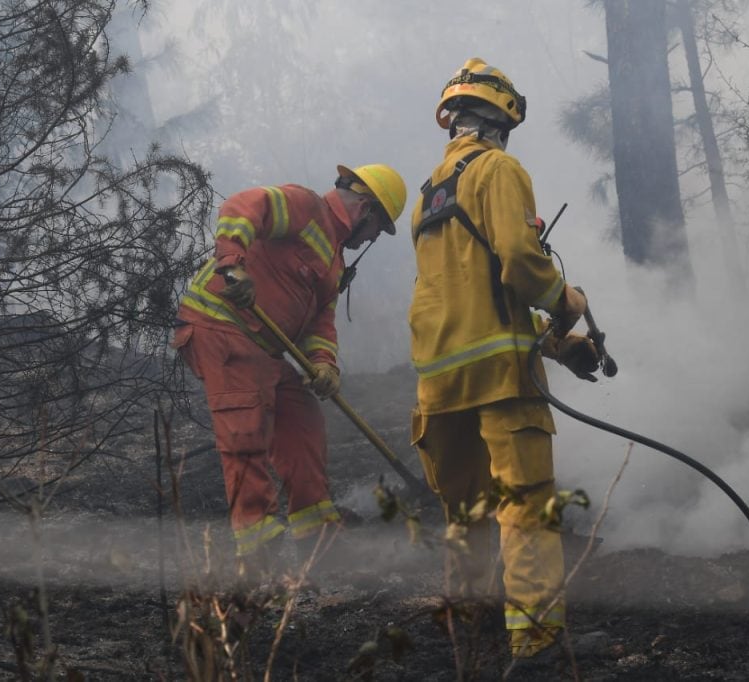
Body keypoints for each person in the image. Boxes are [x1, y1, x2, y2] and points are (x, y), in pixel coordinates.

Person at [408, 58, 601, 660]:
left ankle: (470, 625)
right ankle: (536, 638)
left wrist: (555, 343)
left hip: (439, 381)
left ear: (454, 121)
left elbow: (475, 296)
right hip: (501, 380)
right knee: (525, 506)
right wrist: (566, 302)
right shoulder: (498, 170)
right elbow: (518, 264)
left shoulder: (428, 195)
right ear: (501, 120)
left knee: (465, 511)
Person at [172, 163, 406, 577]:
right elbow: (242, 206)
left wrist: (323, 364)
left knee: (303, 425)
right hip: (221, 330)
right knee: (245, 434)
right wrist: (233, 265)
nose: (371, 239)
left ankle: (319, 542)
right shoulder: (304, 205)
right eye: (377, 230)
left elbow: (320, 322)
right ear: (365, 210)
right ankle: (257, 555)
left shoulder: (333, 261)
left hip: (265, 349)